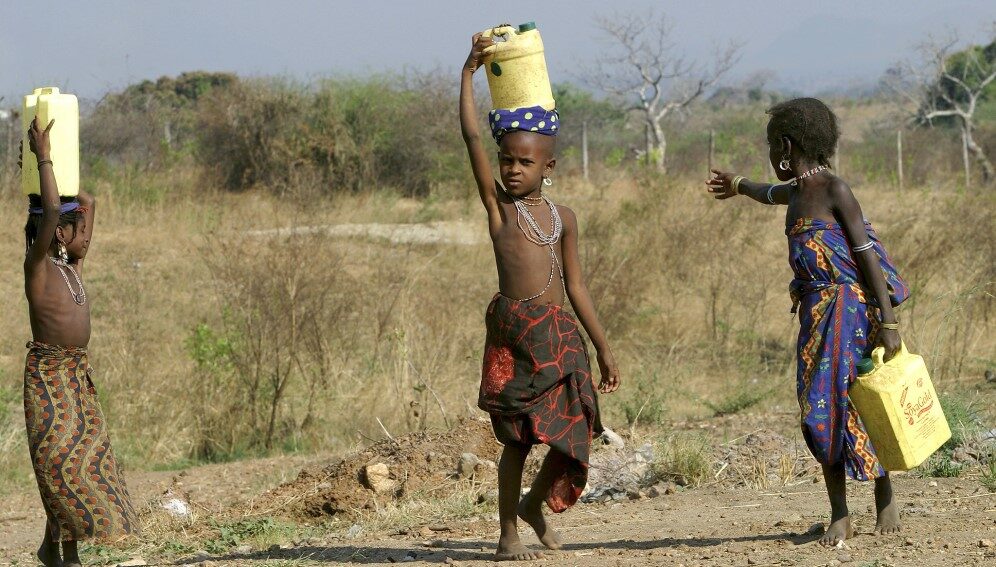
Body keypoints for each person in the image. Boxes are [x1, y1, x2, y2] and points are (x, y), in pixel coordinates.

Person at [707, 98, 909, 546]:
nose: (769, 155)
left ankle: (884, 494)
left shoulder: (835, 189)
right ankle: (839, 511)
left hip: (851, 313)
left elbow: (866, 256)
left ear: (785, 144)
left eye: (769, 146)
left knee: (859, 401)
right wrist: (738, 184)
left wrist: (889, 325)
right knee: (818, 406)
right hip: (816, 319)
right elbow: (767, 192)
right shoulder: (797, 191)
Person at [460, 32, 621, 561]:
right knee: (517, 440)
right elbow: (471, 140)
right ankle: (507, 533)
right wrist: (468, 76)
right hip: (515, 333)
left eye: (524, 162)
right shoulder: (500, 211)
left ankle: (534, 506)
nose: (512, 169)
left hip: (559, 336)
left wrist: (602, 346)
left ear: (547, 167)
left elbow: (576, 287)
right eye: (507, 160)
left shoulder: (563, 218)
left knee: (577, 425)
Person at [20, 117, 138, 567]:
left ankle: (56, 547)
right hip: (49, 377)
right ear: (59, 236)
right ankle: (62, 552)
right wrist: (43, 155)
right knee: (59, 465)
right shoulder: (38, 267)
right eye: (77, 230)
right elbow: (53, 213)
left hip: (76, 374)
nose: (86, 235)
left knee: (81, 462)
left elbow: (86, 202)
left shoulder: (73, 269)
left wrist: (67, 169)